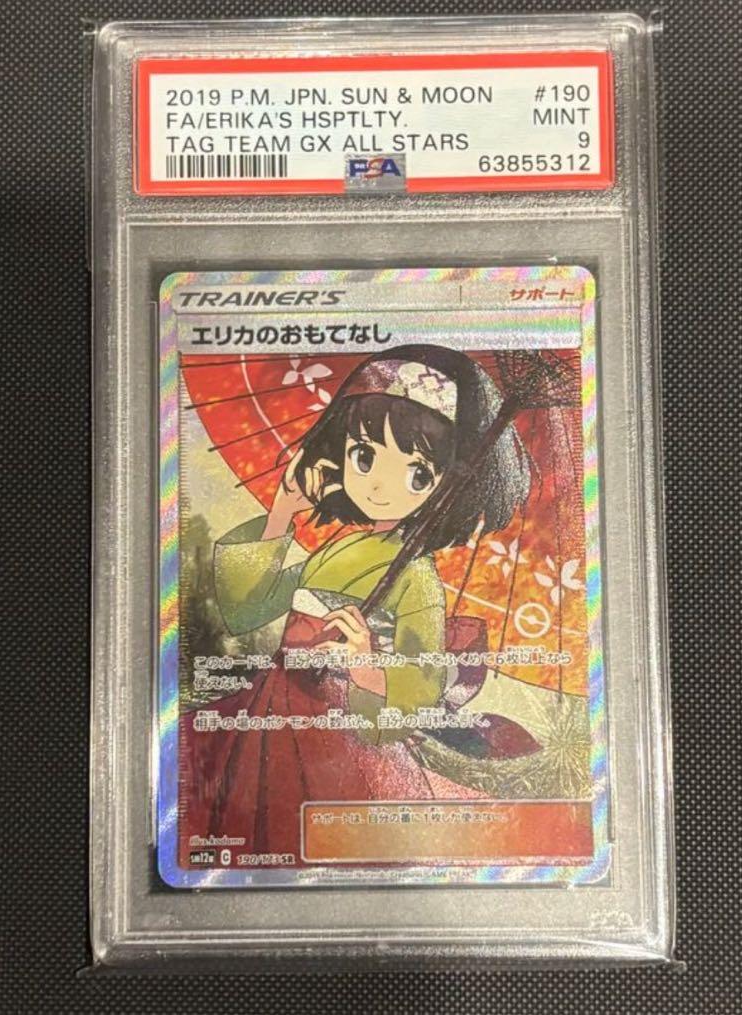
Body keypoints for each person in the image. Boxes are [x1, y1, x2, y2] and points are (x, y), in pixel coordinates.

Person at [178, 344, 531, 864]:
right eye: (364, 456)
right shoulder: (339, 548)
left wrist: (366, 663)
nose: (381, 485)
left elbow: (419, 685)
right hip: (274, 707)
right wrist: (282, 512)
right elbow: (247, 611)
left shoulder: (417, 578)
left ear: (446, 486)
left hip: (344, 731)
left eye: (417, 473)